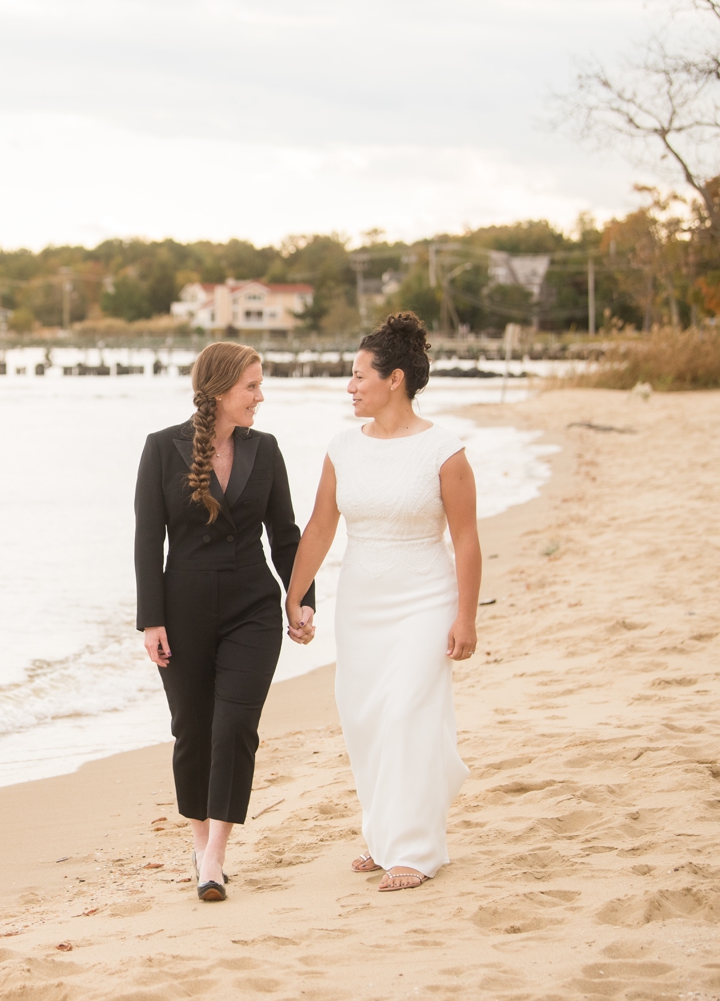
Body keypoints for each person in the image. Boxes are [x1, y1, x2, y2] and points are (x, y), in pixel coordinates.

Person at [285, 312, 480, 892]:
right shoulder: (342, 448)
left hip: (425, 597)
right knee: (365, 718)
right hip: (362, 601)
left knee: (408, 716)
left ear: (394, 379)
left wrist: (465, 617)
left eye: (357, 375)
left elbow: (466, 539)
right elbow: (320, 528)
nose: (349, 386)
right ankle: (384, 834)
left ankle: (416, 851)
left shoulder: (445, 451)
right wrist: (293, 596)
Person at [134, 341, 315, 902]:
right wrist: (151, 619)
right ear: (219, 391)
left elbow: (285, 535)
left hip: (252, 609)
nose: (261, 397)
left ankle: (214, 857)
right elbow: (147, 539)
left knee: (235, 728)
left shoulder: (266, 449)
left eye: (260, 386)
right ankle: (198, 841)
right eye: (252, 387)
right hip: (182, 609)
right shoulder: (161, 448)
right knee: (193, 730)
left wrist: (302, 599)